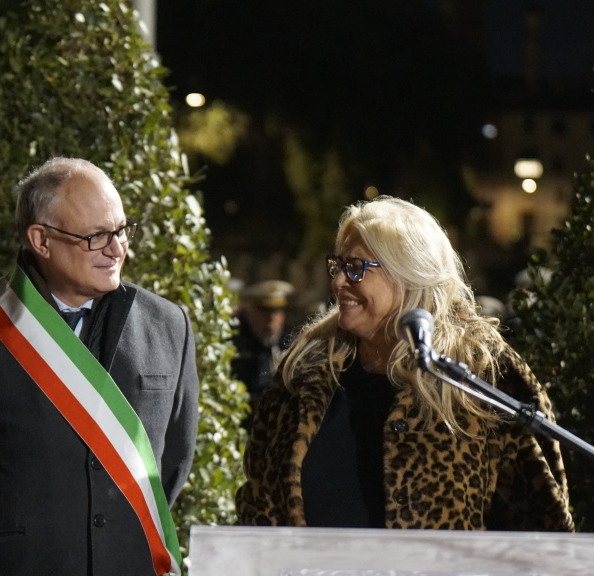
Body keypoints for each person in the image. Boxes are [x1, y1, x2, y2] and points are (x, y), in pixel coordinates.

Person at [0, 157, 199, 576]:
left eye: (122, 230)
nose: (117, 249)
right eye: (96, 236)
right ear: (41, 239)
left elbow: (173, 461)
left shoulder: (168, 325)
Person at [235, 195, 573, 531]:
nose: (338, 282)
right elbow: (259, 507)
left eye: (356, 268)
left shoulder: (485, 374)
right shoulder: (302, 374)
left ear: (408, 274)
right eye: (338, 266)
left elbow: (544, 525)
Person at [231, 280, 293, 409]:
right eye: (264, 311)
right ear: (247, 312)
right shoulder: (233, 344)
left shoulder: (288, 344)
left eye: (276, 311)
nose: (271, 318)